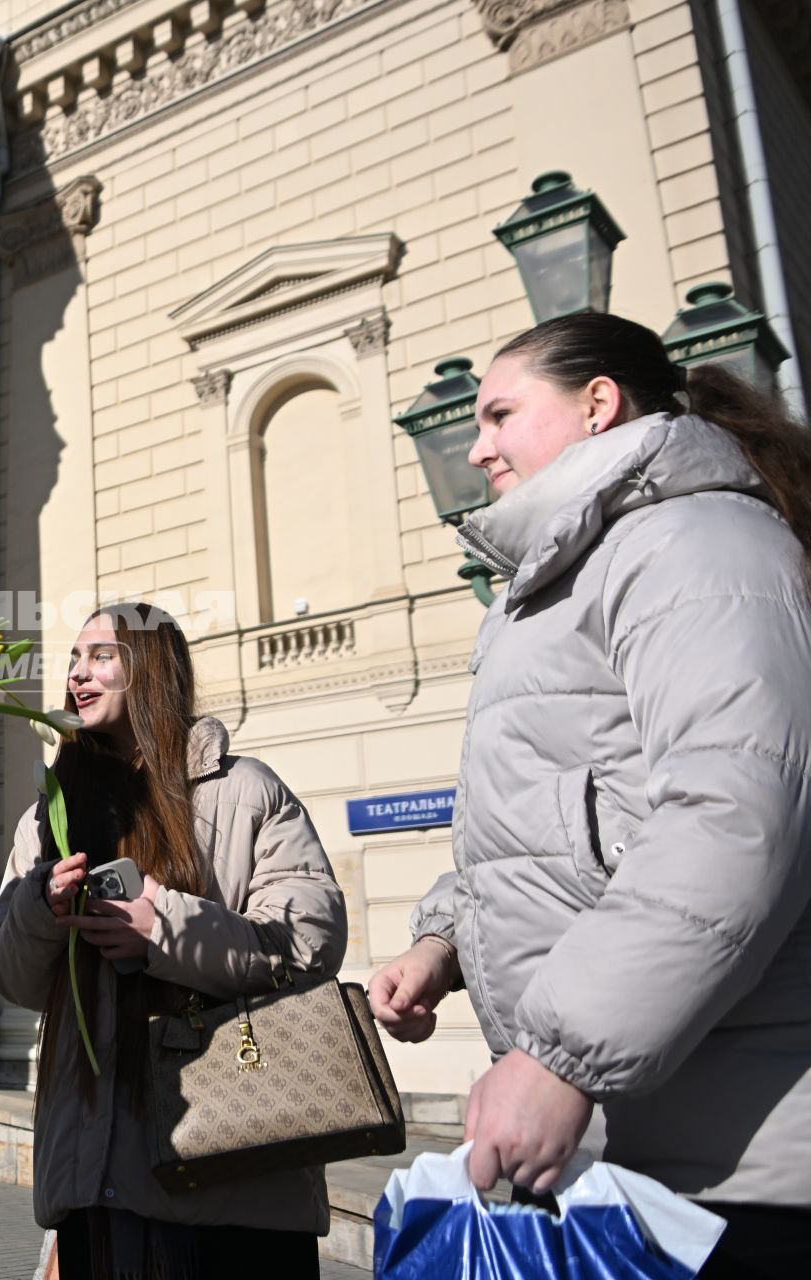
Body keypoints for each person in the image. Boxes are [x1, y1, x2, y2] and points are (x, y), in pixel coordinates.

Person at [367, 313, 811, 1277]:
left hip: (729, 1174)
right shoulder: (563, 581)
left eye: (499, 414)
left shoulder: (693, 540)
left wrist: (564, 1055)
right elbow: (564, 821)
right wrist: (445, 941)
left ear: (597, 403)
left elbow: (734, 815)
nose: (475, 443)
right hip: (634, 1153)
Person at [0, 602, 347, 1279]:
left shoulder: (244, 792)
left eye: (101, 656)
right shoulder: (50, 816)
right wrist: (41, 909)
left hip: (235, 1170)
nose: (77, 674)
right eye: (73, 659)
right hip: (97, 1178)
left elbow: (310, 946)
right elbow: (9, 979)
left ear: (152, 668)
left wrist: (163, 929)